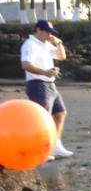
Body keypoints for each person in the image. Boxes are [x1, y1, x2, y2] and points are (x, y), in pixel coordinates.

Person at [20, 19, 73, 160]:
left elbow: (62, 56)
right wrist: (44, 72)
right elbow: (25, 64)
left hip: (50, 84)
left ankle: (55, 145)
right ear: (38, 30)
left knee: (60, 113)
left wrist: (58, 42)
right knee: (43, 118)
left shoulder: (46, 45)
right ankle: (41, 150)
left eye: (50, 32)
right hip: (37, 83)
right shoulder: (30, 45)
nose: (49, 34)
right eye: (46, 31)